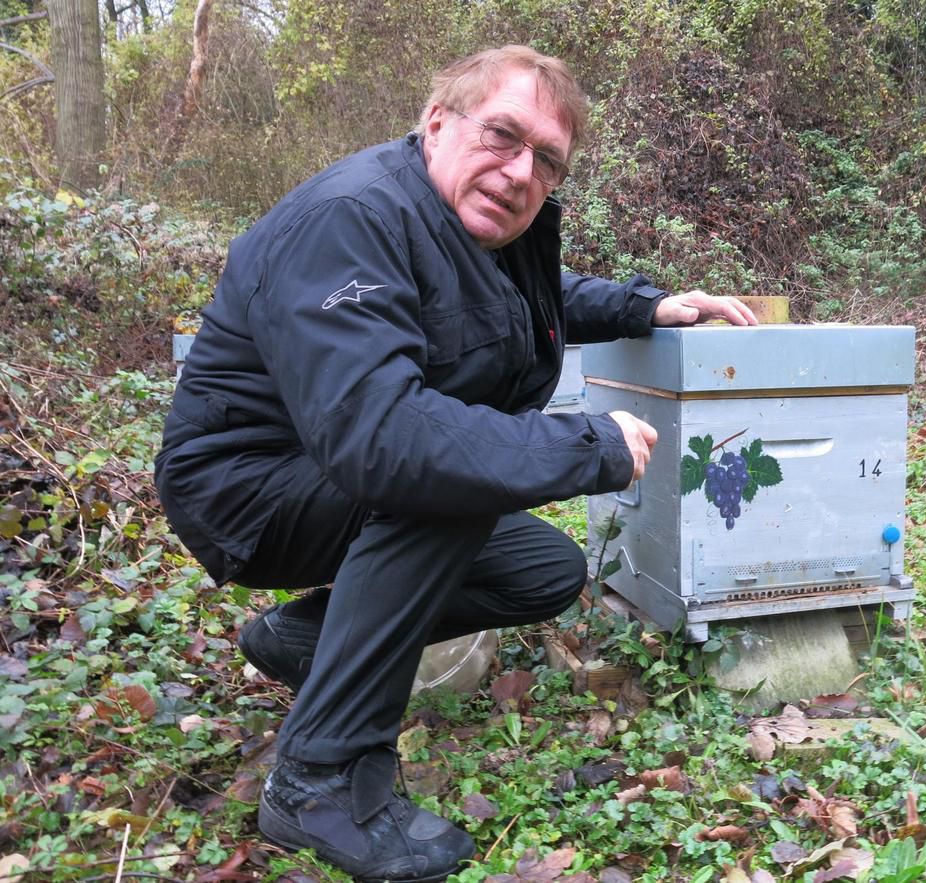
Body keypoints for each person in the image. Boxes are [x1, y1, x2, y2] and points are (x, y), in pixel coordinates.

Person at [154, 44, 756, 881]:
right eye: (503, 136)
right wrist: (589, 443)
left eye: (547, 160)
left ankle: (308, 644)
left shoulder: (471, 225)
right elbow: (386, 437)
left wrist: (647, 305)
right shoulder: (352, 217)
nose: (520, 172)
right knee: (451, 477)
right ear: (438, 121)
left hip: (324, 472)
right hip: (244, 488)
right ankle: (318, 779)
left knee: (543, 568)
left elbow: (528, 300)